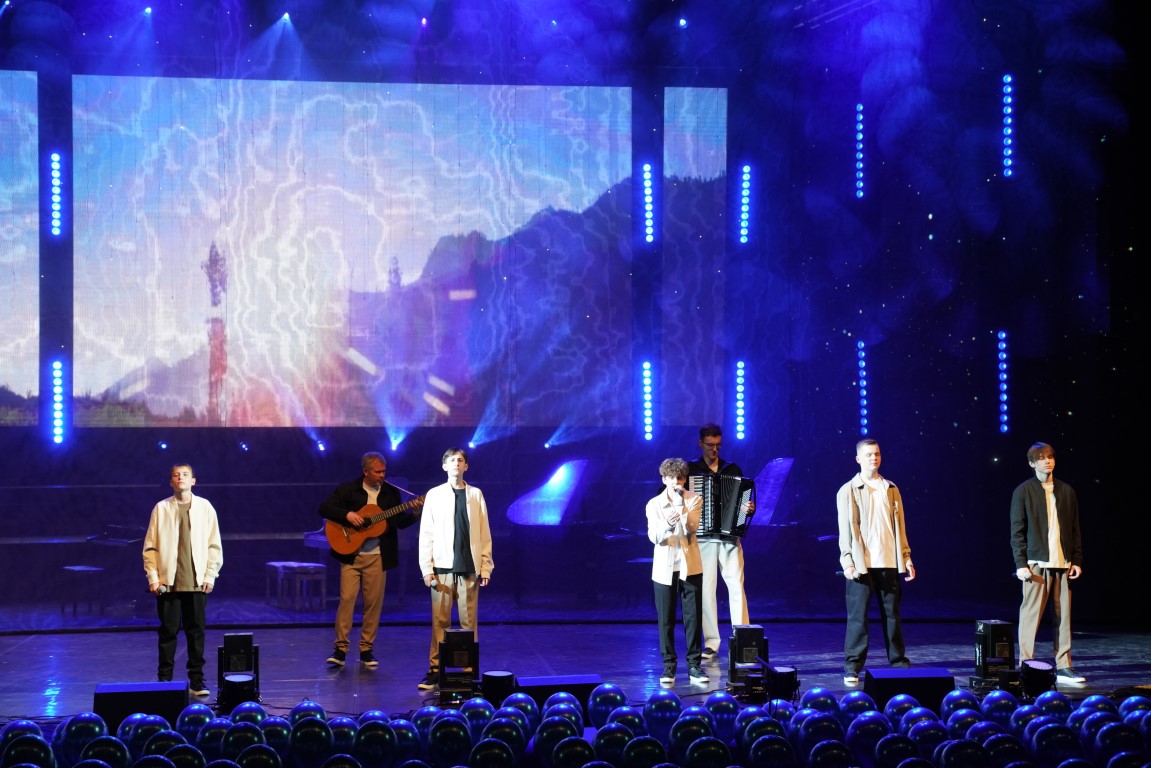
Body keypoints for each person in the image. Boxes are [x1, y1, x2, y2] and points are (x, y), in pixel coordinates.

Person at [319, 451, 422, 668]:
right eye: (378, 472)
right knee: (347, 600)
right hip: (351, 555)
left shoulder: (391, 493)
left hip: (378, 556)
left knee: (373, 604)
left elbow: (398, 523)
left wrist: (414, 513)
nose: (382, 475)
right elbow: (324, 508)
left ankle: (366, 650)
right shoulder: (348, 489)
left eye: (384, 471)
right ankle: (340, 650)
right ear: (366, 471)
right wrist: (347, 515)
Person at [836, 439, 915, 685]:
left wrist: (906, 557)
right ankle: (852, 667)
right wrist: (847, 562)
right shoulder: (848, 490)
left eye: (877, 454)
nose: (874, 458)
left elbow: (900, 527)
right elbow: (844, 531)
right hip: (861, 565)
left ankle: (899, 662)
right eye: (869, 454)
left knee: (892, 615)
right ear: (858, 459)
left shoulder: (891, 488)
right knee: (858, 618)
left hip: (888, 561)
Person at [142, 463, 224, 698]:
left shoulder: (205, 507)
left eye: (185, 475)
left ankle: (196, 679)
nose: (181, 478)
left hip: (196, 581)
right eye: (176, 475)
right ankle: (164, 679)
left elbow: (214, 545)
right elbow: (150, 547)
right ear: (171, 482)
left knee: (196, 632)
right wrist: (153, 577)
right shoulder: (161, 508)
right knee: (168, 632)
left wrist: (210, 575)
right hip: (168, 582)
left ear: (193, 481)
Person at [417, 447, 494, 690]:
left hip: (469, 567)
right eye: (451, 460)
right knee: (440, 621)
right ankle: (435, 669)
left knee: (469, 622)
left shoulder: (476, 494)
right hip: (441, 568)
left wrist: (485, 566)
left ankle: (468, 670)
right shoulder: (435, 494)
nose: (456, 464)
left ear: (466, 466)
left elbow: (484, 533)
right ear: (444, 466)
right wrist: (426, 568)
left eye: (460, 460)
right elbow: (426, 533)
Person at [1010, 442, 1085, 683]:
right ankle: (1026, 663)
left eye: (1050, 456)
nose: (1047, 461)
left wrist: (1076, 559)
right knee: (1030, 615)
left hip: (1063, 563)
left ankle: (1064, 666)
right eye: (1042, 458)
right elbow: (1017, 531)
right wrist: (1020, 563)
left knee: (1063, 617)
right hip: (1036, 564)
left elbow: (1074, 529)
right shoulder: (1023, 491)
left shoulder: (1066, 491)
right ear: (1032, 463)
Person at [686, 423, 756, 660]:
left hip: (729, 537)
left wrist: (747, 509)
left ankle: (742, 636)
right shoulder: (691, 470)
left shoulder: (732, 468)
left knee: (736, 586)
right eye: (710, 445)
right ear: (700, 444)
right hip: (703, 538)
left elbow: (742, 502)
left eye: (717, 445)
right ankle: (711, 642)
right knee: (706, 590)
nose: (714, 449)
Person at [646, 457, 709, 686]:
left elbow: (693, 528)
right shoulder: (654, 504)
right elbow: (654, 537)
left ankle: (694, 665)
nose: (676, 482)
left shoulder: (694, 499)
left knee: (693, 618)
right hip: (664, 569)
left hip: (690, 567)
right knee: (666, 619)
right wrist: (667, 525)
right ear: (664, 479)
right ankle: (669, 666)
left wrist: (682, 506)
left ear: (684, 479)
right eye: (671, 477)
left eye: (680, 478)